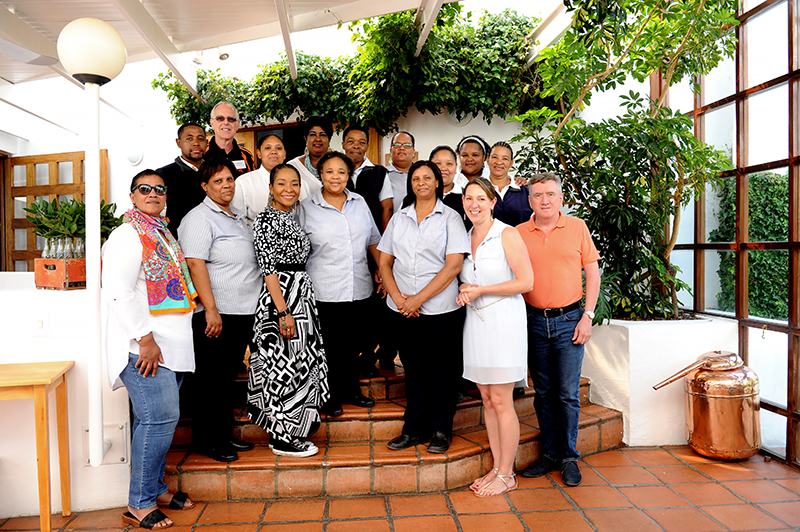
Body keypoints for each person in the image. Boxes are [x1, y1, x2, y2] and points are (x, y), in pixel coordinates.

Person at [103, 170, 197, 529]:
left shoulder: (161, 232)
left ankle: (155, 488)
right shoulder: (128, 234)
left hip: (169, 344)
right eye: (145, 189)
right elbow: (117, 290)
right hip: (145, 348)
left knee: (158, 422)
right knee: (158, 421)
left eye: (160, 189)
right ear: (132, 196)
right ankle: (139, 502)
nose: (154, 194)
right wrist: (144, 338)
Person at [378, 161, 469, 454]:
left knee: (444, 372)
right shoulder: (399, 219)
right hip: (404, 310)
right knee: (415, 370)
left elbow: (453, 265)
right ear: (411, 184)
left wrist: (418, 299)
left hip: (441, 311)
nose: (421, 183)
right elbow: (384, 262)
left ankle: (441, 429)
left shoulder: (450, 218)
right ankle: (413, 429)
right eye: (416, 178)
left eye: (427, 177)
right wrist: (401, 300)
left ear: (437, 182)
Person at [517, 172, 600, 487]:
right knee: (543, 392)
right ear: (530, 201)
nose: (544, 200)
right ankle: (550, 454)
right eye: (538, 195)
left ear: (561, 197)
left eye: (550, 194)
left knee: (566, 394)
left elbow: (592, 274)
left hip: (570, 322)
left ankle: (567, 457)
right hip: (534, 321)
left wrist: (587, 316)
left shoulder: (577, 227)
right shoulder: (519, 233)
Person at [179, 158, 262, 463]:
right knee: (210, 381)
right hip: (217, 313)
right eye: (218, 181)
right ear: (204, 186)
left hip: (242, 311)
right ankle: (208, 441)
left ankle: (223, 434)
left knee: (226, 379)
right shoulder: (199, 218)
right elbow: (194, 263)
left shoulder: (236, 216)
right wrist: (210, 309)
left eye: (230, 179)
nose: (226, 185)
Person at [457, 177, 533, 497]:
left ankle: (507, 473)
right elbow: (466, 279)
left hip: (503, 322)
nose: (474, 204)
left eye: (480, 198)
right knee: (487, 400)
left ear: (492, 202)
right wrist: (465, 289)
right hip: (475, 324)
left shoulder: (507, 233)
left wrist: (481, 290)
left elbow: (526, 281)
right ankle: (497, 467)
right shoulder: (465, 236)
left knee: (502, 401)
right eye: (468, 198)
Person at [247, 163, 330, 457]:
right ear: (270, 188)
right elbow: (268, 269)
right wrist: (283, 312)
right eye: (281, 184)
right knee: (281, 368)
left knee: (299, 365)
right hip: (280, 299)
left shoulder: (292, 217)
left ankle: (296, 429)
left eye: (294, 184)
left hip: (302, 296)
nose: (289, 189)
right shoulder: (265, 220)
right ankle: (281, 436)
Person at [298, 151, 380, 416]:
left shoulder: (360, 203)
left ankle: (351, 390)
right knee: (329, 346)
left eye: (341, 172)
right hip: (324, 288)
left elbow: (373, 241)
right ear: (320, 175)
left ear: (349, 175)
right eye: (330, 171)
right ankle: (327, 396)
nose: (336, 177)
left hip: (359, 286)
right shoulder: (307, 207)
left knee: (353, 343)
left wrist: (381, 270)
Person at [156, 123, 208, 238]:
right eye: (189, 138)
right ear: (178, 142)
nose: (196, 143)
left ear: (206, 142)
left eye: (201, 139)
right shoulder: (163, 175)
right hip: (180, 243)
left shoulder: (215, 173)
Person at [343, 125, 393, 231]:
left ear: (367, 146)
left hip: (372, 237)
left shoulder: (380, 172)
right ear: (343, 145)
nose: (356, 146)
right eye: (351, 141)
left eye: (361, 142)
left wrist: (384, 242)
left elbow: (387, 209)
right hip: (342, 236)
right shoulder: (335, 172)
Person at [231, 133, 289, 227]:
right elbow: (238, 223)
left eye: (278, 148)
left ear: (284, 154)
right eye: (268, 148)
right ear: (259, 153)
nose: (273, 152)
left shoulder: (299, 183)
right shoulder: (243, 183)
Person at [488, 141, 533, 227]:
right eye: (495, 157)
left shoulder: (524, 192)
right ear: (487, 160)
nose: (499, 162)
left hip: (519, 240)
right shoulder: (478, 189)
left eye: (505, 159)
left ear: (511, 163)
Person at [205, 101, 255, 177]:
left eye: (231, 119)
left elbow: (252, 184)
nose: (226, 122)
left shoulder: (247, 155)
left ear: (237, 124)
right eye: (220, 118)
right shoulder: (202, 153)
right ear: (212, 123)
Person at [287, 115, 330, 197]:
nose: (318, 139)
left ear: (329, 140)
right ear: (306, 139)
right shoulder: (292, 167)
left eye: (323, 135)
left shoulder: (339, 164)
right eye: (313, 135)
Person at [431, 145, 471, 231]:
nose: (443, 168)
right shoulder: (419, 196)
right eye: (438, 163)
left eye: (449, 164)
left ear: (456, 168)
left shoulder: (467, 196)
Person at [387, 131, 415, 213]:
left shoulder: (422, 174)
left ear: (413, 152)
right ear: (391, 150)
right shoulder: (381, 175)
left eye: (407, 145)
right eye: (397, 145)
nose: (402, 148)